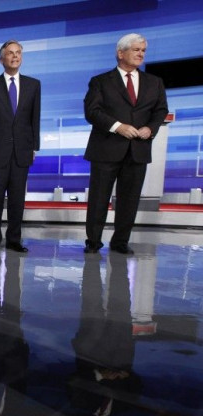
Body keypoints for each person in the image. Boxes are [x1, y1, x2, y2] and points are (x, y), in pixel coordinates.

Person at [83, 33, 168, 255]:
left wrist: (151, 128)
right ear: (120, 53)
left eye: (143, 50)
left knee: (129, 201)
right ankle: (93, 242)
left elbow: (160, 110)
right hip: (106, 148)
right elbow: (92, 112)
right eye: (136, 50)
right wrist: (118, 126)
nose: (141, 54)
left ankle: (120, 242)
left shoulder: (154, 82)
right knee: (99, 200)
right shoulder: (100, 82)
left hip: (138, 150)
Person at [0, 40, 41, 253]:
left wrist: (34, 147)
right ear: (1, 59)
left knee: (17, 199)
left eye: (18, 53)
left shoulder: (34, 85)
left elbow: (35, 119)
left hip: (22, 151)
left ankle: (14, 239)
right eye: (10, 53)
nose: (15, 56)